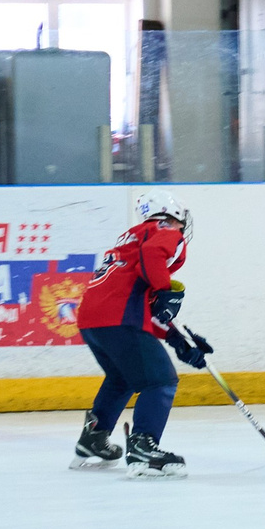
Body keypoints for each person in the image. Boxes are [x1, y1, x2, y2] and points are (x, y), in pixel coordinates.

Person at [73, 192, 212, 478]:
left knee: (122, 378)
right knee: (161, 380)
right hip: (119, 320)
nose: (182, 227)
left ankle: (94, 438)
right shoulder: (164, 231)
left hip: (91, 321)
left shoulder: (131, 240)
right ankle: (143, 447)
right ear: (172, 214)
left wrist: (178, 340)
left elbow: (144, 306)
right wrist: (164, 289)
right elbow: (152, 259)